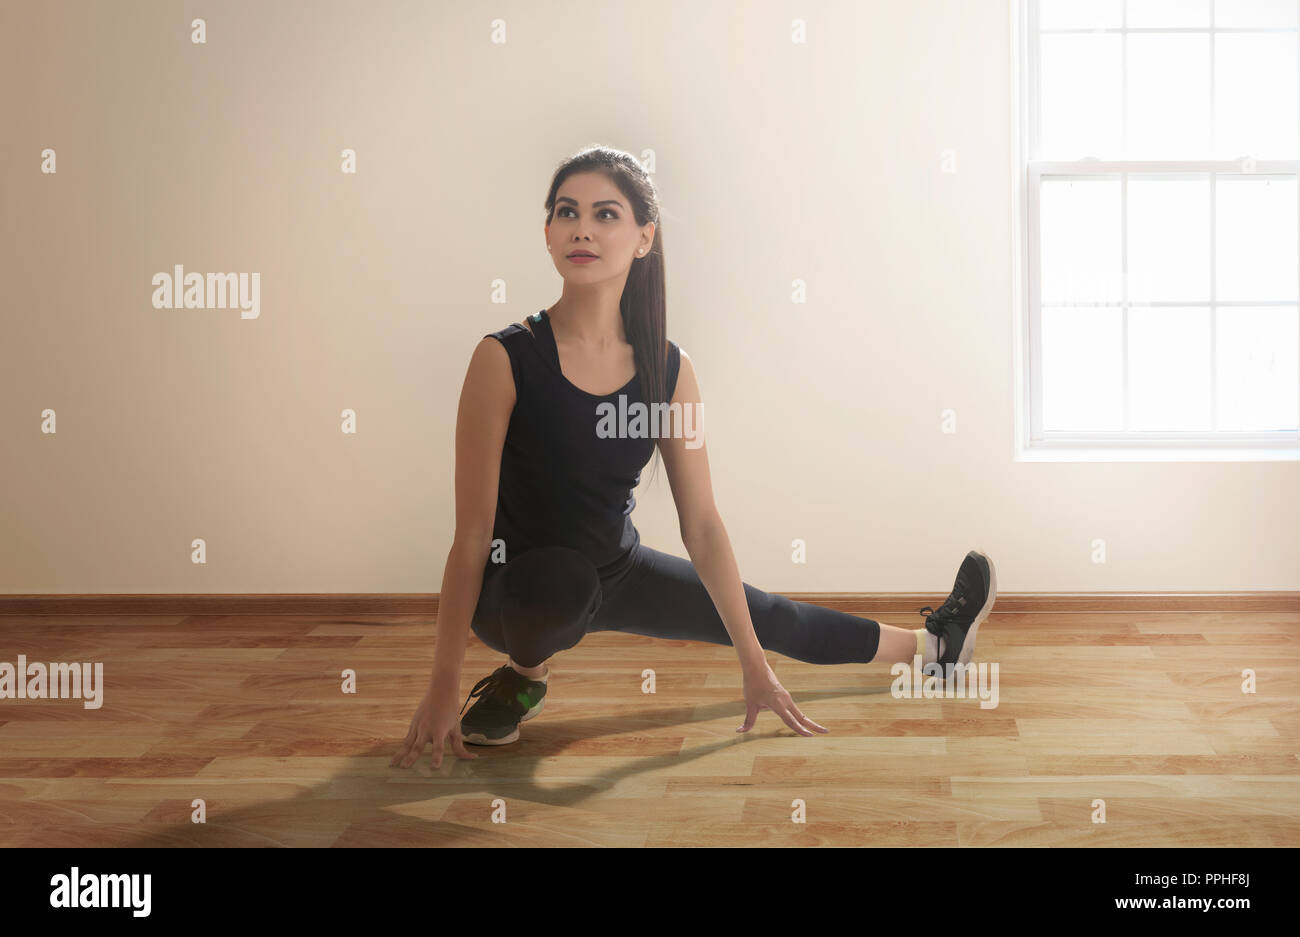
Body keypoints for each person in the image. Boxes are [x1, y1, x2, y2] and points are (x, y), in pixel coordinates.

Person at [391, 145, 997, 769]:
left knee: (766, 617)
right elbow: (471, 535)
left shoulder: (669, 371)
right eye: (567, 212)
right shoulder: (504, 358)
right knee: (563, 582)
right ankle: (525, 674)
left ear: (644, 236)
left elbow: (702, 527)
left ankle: (934, 647)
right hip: (516, 590)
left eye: (606, 215)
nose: (583, 229)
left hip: (615, 574)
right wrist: (441, 683)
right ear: (547, 233)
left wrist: (754, 667)